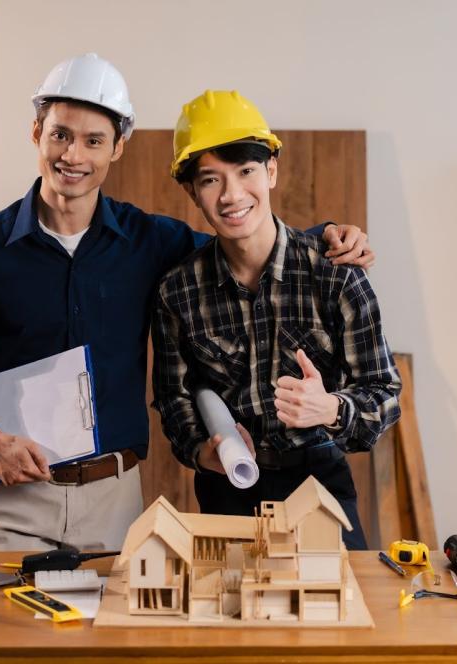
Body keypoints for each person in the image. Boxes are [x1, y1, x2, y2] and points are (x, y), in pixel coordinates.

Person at [0, 55, 374, 552]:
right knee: (11, 627)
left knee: (112, 627)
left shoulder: (150, 242)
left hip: (114, 498)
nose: (73, 155)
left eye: (93, 141)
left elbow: (240, 243)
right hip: (17, 497)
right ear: (37, 132)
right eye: (61, 134)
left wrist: (323, 236)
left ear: (117, 148)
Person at [152, 90, 401, 549]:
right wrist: (203, 452)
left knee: (335, 610)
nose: (231, 195)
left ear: (271, 171)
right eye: (210, 180)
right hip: (227, 487)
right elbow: (174, 398)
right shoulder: (178, 292)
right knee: (228, 612)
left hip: (317, 480)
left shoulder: (336, 276)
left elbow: (385, 396)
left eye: (245, 171)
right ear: (191, 191)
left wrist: (329, 408)